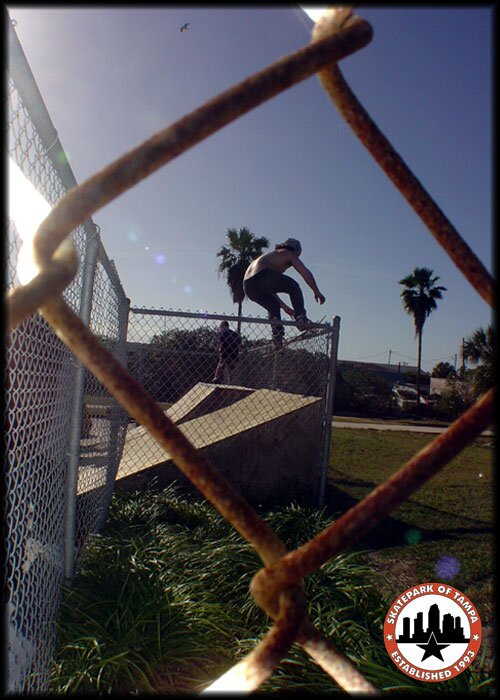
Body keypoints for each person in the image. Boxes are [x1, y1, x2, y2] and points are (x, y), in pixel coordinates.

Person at [243, 238, 325, 349]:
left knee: (273, 306)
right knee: (293, 286)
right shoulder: (288, 254)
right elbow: (304, 272)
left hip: (248, 286)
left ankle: (277, 337)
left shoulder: (271, 257)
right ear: (296, 251)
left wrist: (285, 307)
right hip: (261, 276)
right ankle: (301, 318)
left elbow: (268, 287)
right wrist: (316, 291)